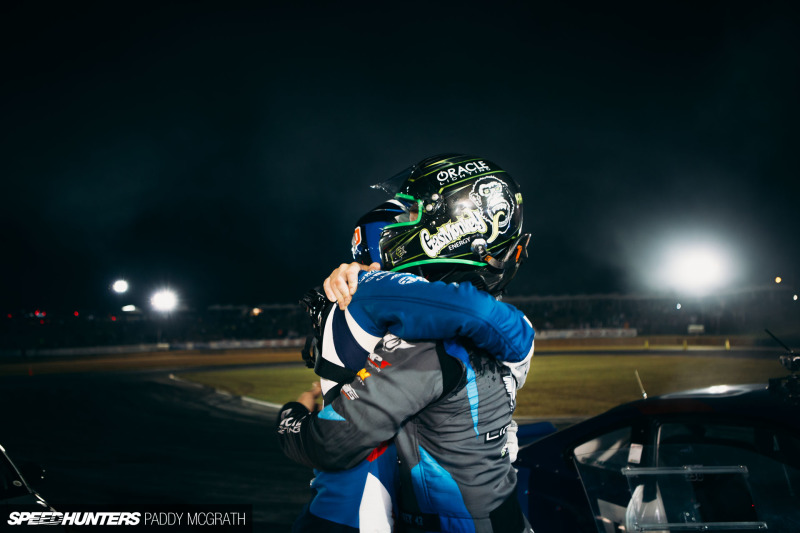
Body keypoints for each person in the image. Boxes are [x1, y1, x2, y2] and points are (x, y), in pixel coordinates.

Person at [278, 154, 535, 532]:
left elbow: (331, 443)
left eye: (413, 212)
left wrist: (290, 418)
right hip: (498, 514)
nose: (400, 227)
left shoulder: (431, 343)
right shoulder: (509, 323)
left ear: (462, 222)